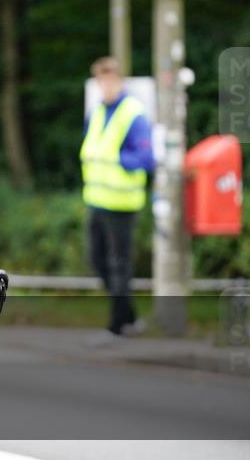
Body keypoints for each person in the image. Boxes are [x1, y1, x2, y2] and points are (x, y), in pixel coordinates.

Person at [80, 56, 155, 342]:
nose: (106, 86)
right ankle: (130, 317)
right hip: (97, 201)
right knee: (97, 261)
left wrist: (120, 160)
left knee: (118, 266)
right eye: (101, 81)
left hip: (122, 204)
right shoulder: (97, 111)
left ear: (120, 81)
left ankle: (117, 326)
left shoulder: (133, 113)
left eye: (110, 80)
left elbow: (147, 158)